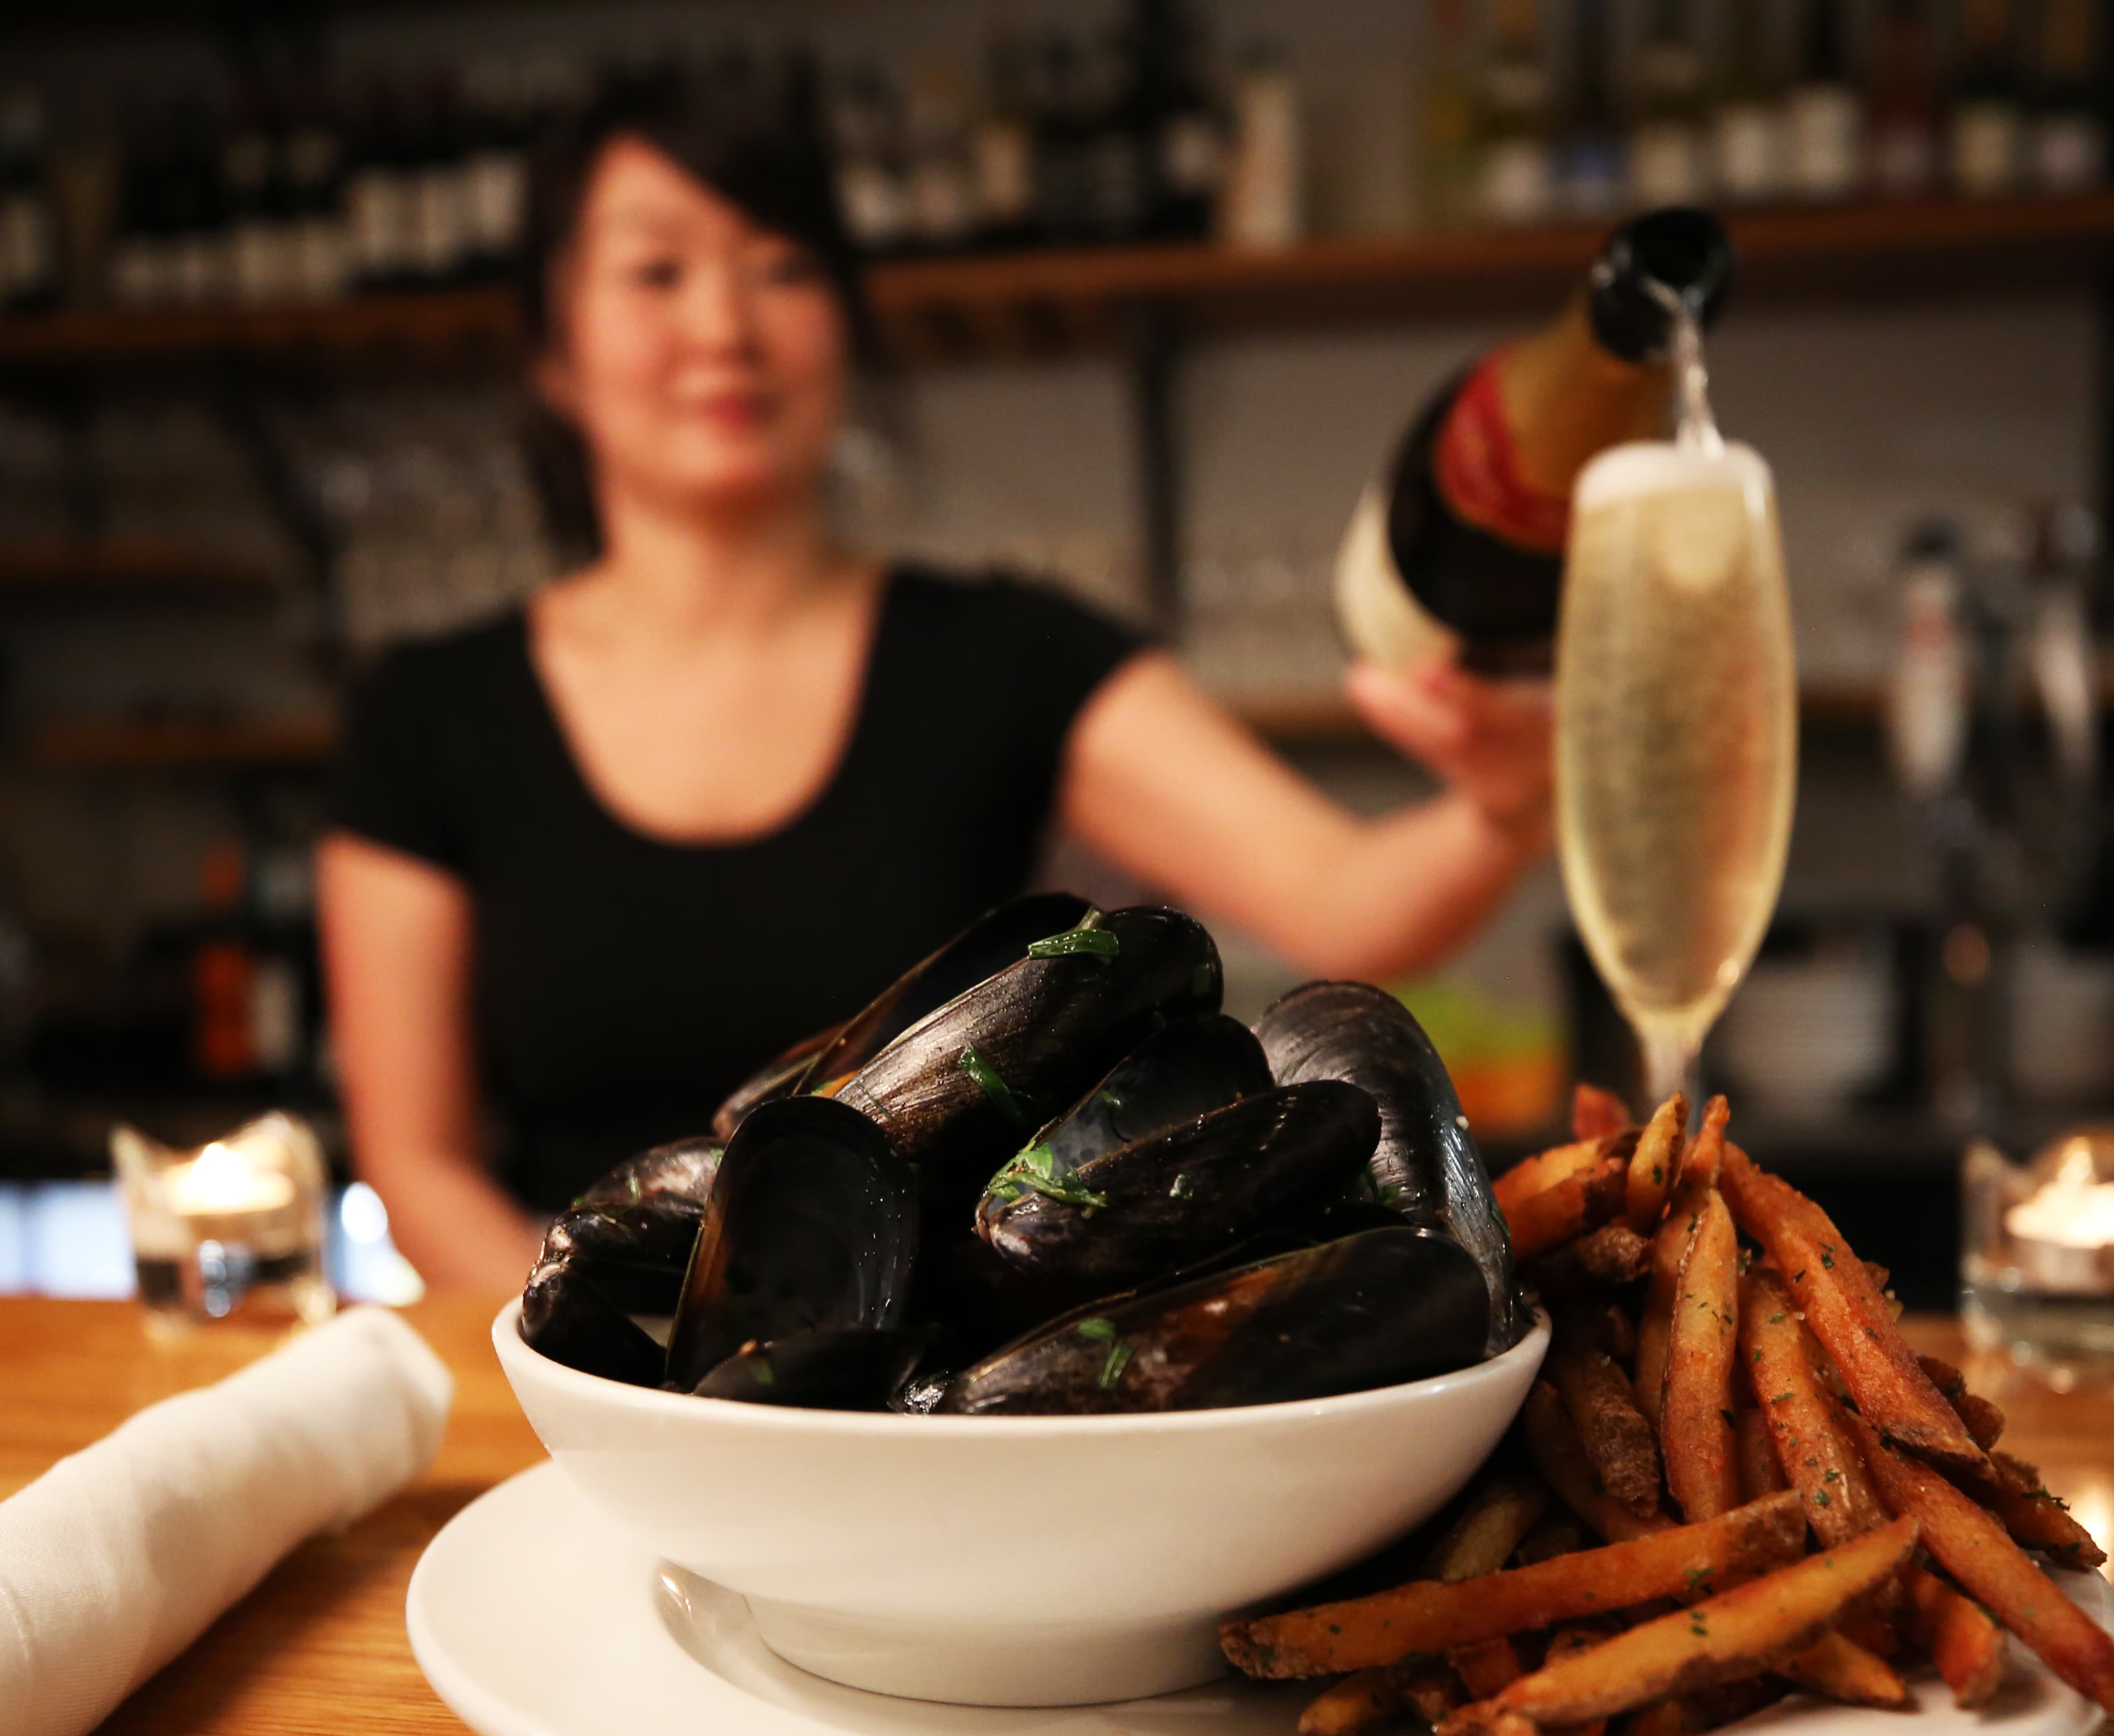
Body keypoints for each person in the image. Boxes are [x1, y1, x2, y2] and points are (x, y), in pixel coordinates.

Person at [323, 63, 1556, 1301]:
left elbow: (1350, 905)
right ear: (553, 349)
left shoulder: (1012, 657)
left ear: (847, 325)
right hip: (566, 1389)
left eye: (783, 267)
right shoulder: (426, 717)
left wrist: (1503, 809)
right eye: (657, 272)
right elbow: (415, 1162)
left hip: (914, 1405)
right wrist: (618, 1372)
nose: (725, 326)